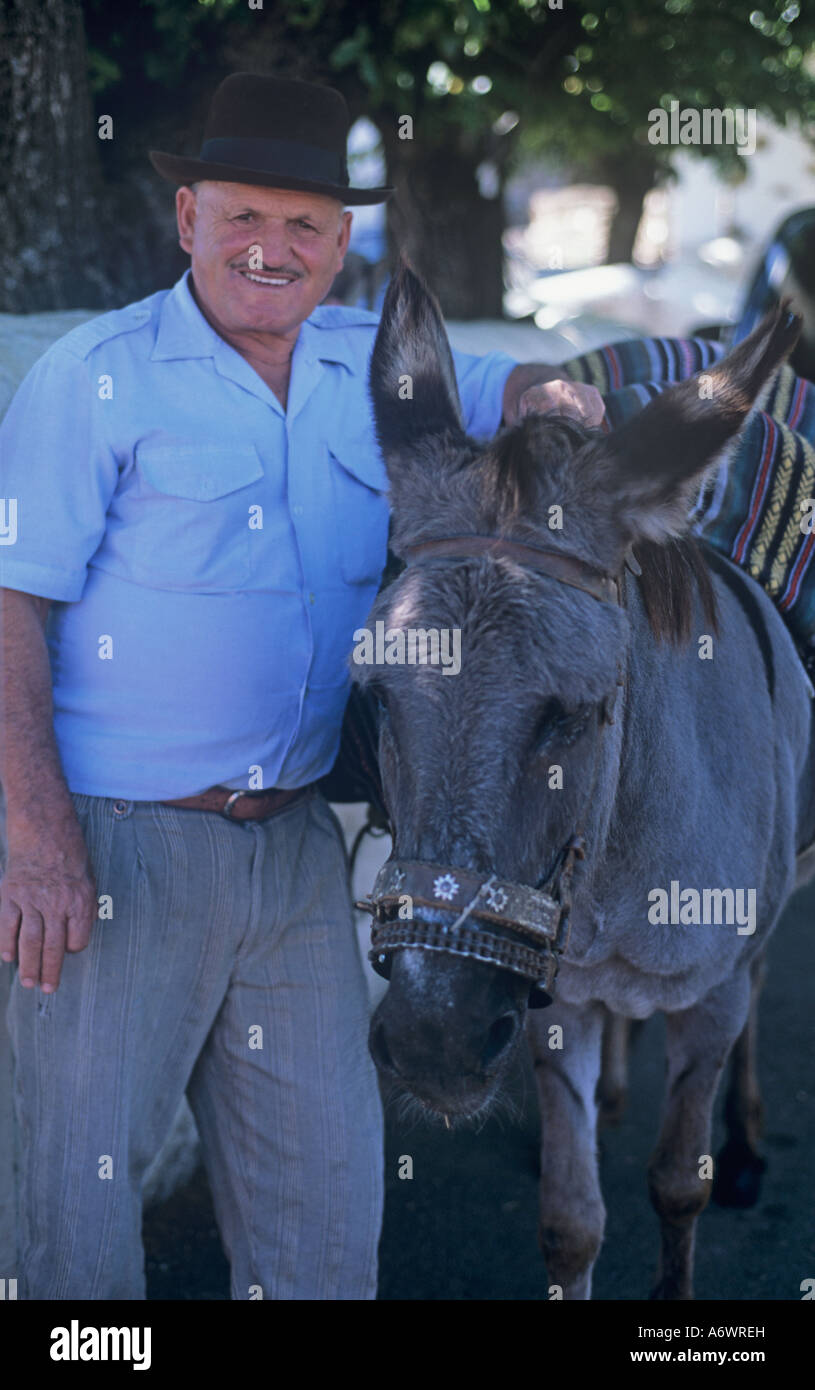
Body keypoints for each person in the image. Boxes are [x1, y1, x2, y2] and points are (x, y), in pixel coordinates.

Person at [0, 71, 599, 1300]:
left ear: (340, 245)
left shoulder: (369, 370)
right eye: (242, 218)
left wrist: (555, 399)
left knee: (325, 1210)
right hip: (119, 852)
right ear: (186, 221)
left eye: (305, 226)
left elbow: (521, 391)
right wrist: (34, 833)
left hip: (295, 857)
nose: (272, 250)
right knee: (77, 1222)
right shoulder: (95, 376)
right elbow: (12, 601)